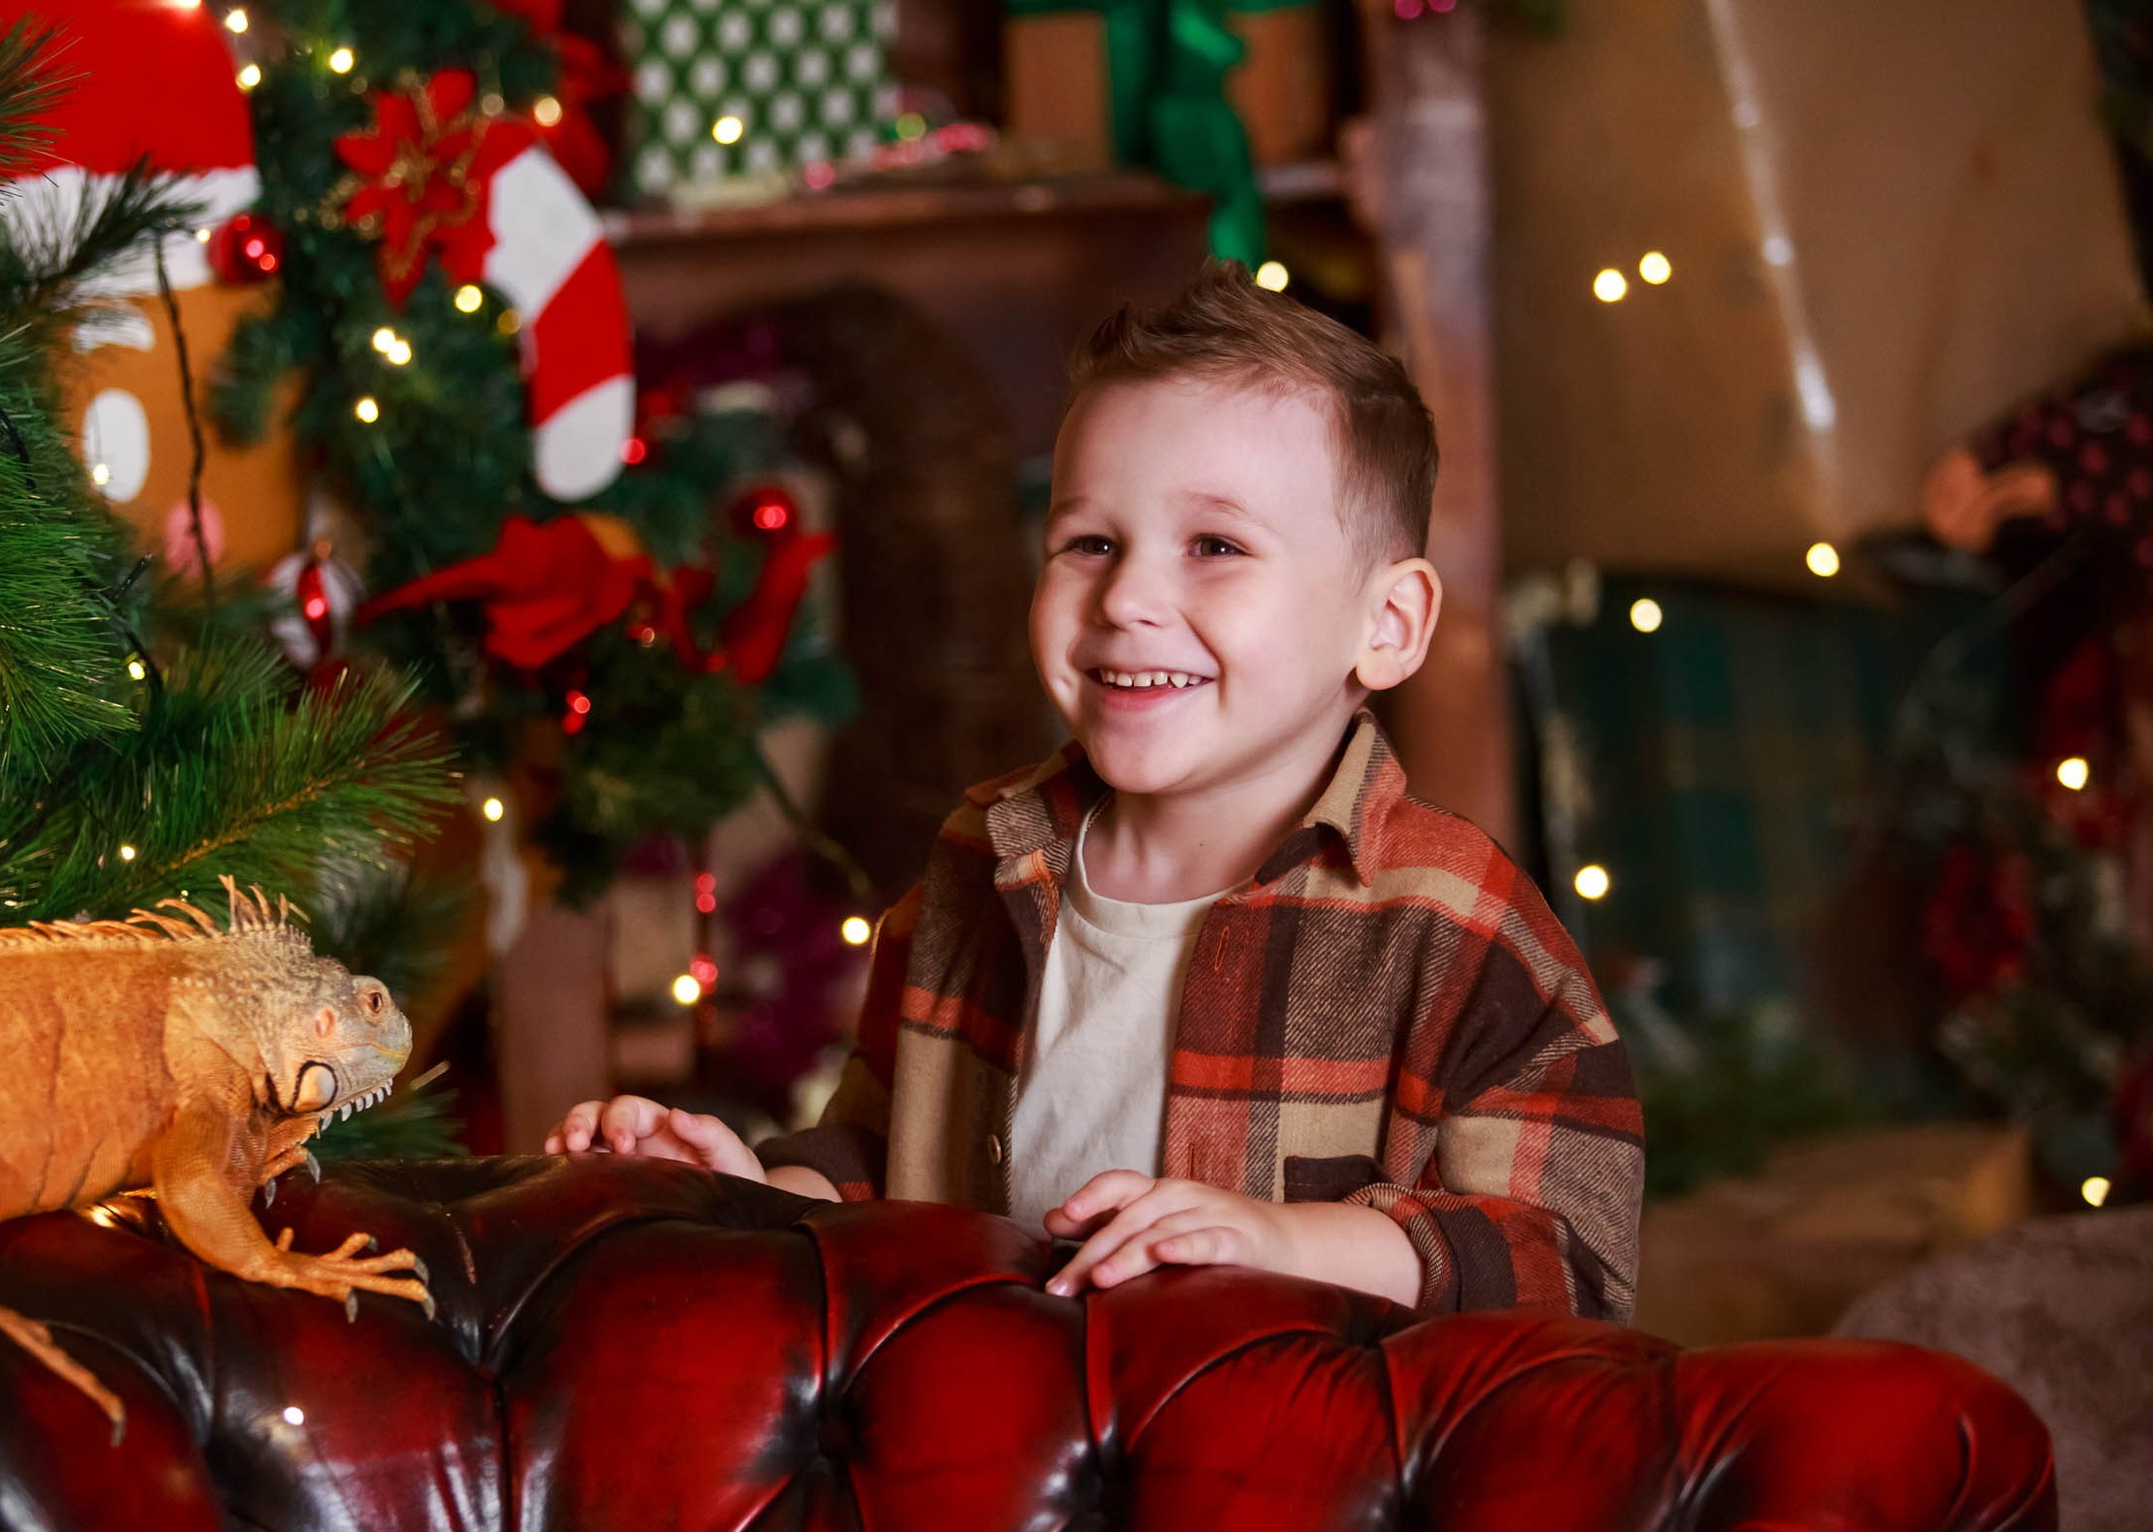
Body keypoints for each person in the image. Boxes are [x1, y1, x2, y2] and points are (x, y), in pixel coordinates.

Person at [547, 261, 1644, 1320]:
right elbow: (885, 1167)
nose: (1128, 596)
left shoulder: (1453, 924)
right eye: (1088, 541)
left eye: (1214, 544)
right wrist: (743, 1188)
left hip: (1298, 1482)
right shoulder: (983, 861)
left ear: (1387, 624)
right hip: (1005, 1459)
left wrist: (1281, 1242)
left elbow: (1570, 1260)